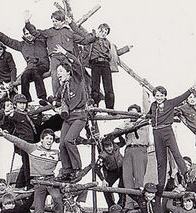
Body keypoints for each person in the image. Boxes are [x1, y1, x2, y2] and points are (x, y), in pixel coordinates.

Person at [0, 128, 63, 213]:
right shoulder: (33, 149)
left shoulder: (56, 153)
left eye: (51, 139)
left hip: (50, 180)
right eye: (47, 138)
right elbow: (18, 141)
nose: (49, 141)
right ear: (41, 140)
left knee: (57, 197)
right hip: (38, 183)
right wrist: (4, 134)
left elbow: (67, 157)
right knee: (39, 212)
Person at [24, 10, 94, 95]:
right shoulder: (49, 32)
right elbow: (35, 33)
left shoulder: (69, 32)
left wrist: (95, 36)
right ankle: (57, 97)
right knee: (55, 75)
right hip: (55, 57)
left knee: (73, 74)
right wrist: (27, 23)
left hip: (67, 56)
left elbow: (84, 40)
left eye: (56, 21)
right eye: (53, 21)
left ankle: (74, 95)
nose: (54, 23)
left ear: (62, 21)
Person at [144, 82, 196, 187]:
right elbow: (149, 114)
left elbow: (181, 97)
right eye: (157, 96)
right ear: (154, 96)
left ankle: (185, 173)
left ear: (165, 96)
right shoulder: (153, 105)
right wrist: (145, 117)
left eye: (161, 95)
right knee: (161, 159)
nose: (159, 98)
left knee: (176, 152)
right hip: (156, 132)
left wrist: (191, 89)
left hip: (167, 131)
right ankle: (161, 183)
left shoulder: (170, 103)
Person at [0, 21, 49, 103]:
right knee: (24, 76)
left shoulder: (41, 41)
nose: (29, 35)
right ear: (24, 35)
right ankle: (25, 99)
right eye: (26, 34)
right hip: (31, 67)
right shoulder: (22, 45)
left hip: (43, 65)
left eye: (30, 33)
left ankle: (43, 98)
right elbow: (8, 41)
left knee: (36, 73)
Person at [54, 45, 88, 181]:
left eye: (61, 71)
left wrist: (65, 53)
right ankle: (67, 170)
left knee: (69, 140)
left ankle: (77, 168)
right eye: (57, 72)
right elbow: (56, 100)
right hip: (68, 118)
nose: (59, 74)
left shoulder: (77, 79)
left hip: (79, 116)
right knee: (62, 143)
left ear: (68, 72)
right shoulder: (62, 88)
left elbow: (77, 64)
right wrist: (55, 106)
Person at [79, 23, 131, 109]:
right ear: (98, 30)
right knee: (95, 86)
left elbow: (115, 54)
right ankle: (95, 105)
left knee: (108, 86)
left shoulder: (109, 43)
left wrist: (127, 48)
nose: (103, 33)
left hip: (106, 64)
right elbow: (82, 37)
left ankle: (110, 107)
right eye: (101, 31)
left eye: (105, 32)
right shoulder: (92, 40)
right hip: (95, 63)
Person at [122, 104, 150, 212]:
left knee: (139, 178)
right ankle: (129, 204)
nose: (132, 115)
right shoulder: (126, 124)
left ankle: (139, 202)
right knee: (127, 178)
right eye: (130, 113)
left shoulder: (144, 123)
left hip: (140, 149)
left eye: (134, 113)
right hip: (129, 150)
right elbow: (116, 131)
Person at [94, 136, 124, 209]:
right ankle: (112, 206)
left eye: (110, 146)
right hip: (112, 172)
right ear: (104, 148)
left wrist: (119, 135)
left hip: (122, 168)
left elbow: (123, 142)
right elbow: (96, 168)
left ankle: (121, 205)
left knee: (122, 186)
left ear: (112, 145)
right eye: (107, 147)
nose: (109, 148)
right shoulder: (103, 156)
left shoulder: (116, 147)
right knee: (106, 188)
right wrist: (103, 180)